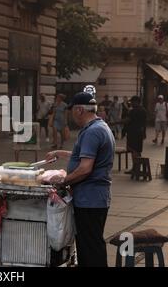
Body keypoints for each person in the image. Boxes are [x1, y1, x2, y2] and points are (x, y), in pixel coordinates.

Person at [46, 92, 115, 267]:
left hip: (89, 199)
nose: (71, 115)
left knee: (90, 248)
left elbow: (85, 168)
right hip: (96, 198)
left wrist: (62, 181)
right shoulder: (101, 127)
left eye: (72, 110)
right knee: (92, 244)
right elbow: (85, 155)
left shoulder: (92, 131)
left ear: (79, 110)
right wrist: (60, 153)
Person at [123, 96, 147, 174]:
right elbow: (144, 123)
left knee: (134, 150)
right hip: (139, 133)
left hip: (133, 133)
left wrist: (115, 122)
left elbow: (127, 121)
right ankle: (136, 167)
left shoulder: (133, 111)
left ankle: (135, 168)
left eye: (132, 102)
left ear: (136, 102)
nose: (131, 103)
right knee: (138, 150)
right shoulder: (143, 110)